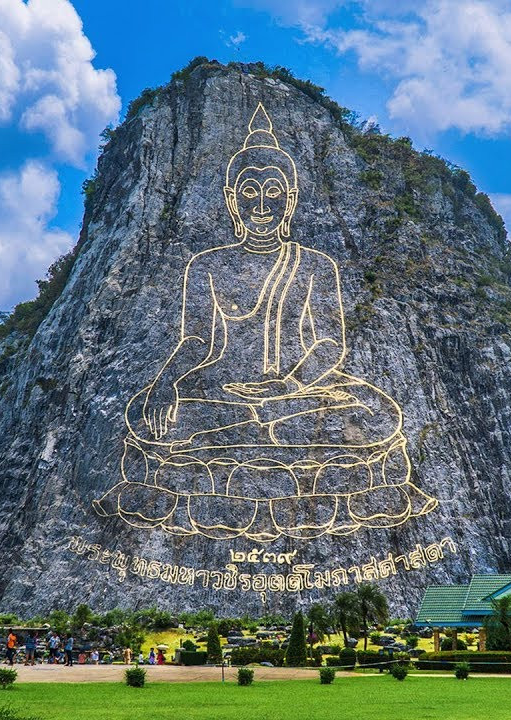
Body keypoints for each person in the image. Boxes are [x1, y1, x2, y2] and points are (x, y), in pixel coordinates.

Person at [92, 103, 437, 542]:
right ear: (232, 200)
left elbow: (330, 344)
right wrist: (165, 383)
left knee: (372, 412)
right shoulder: (207, 265)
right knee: (151, 414)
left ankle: (244, 459)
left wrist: (287, 387)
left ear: (289, 199)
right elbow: (197, 340)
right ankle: (264, 458)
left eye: (273, 191)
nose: (261, 204)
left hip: (299, 396)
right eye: (249, 191)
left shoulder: (314, 264)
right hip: (224, 395)